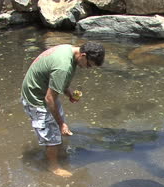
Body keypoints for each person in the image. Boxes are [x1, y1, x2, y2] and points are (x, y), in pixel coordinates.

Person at [21, 42, 105, 177]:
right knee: (52, 135)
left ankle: (55, 149)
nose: (88, 68)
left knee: (56, 128)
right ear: (83, 55)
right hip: (36, 98)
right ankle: (53, 167)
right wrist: (61, 124)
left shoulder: (69, 50)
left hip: (42, 89)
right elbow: (50, 98)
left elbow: (56, 79)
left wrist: (69, 92)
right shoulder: (63, 67)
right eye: (89, 64)